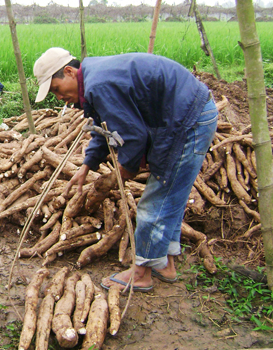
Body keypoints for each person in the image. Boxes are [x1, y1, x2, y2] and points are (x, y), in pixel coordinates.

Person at [33, 47, 218, 292]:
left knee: (154, 202)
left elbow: (133, 137)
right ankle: (166, 264)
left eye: (56, 89)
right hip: (184, 116)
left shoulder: (98, 84)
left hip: (188, 120)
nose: (58, 98)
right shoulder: (94, 80)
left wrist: (119, 175)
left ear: (69, 71)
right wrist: (88, 165)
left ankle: (141, 274)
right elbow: (105, 124)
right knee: (170, 197)